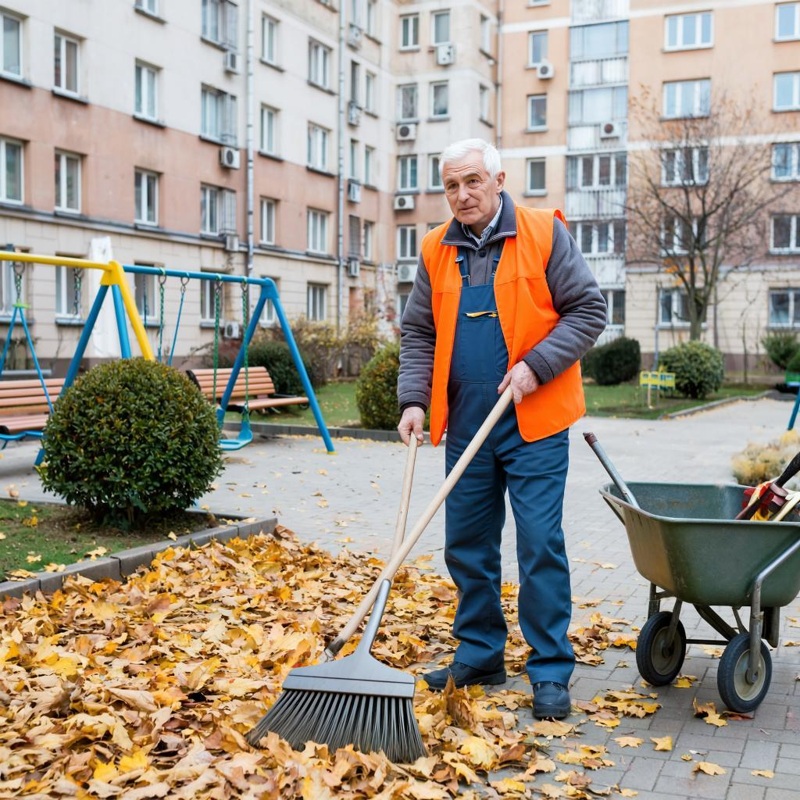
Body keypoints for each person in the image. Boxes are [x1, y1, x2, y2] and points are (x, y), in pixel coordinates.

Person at [396, 138, 607, 720]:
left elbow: (589, 310)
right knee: (466, 544)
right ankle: (481, 653)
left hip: (533, 420)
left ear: (498, 180)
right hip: (467, 421)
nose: (462, 194)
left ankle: (550, 668)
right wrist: (413, 400)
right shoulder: (436, 248)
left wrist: (537, 365)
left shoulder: (543, 233)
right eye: (451, 185)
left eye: (473, 181)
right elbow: (419, 332)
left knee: (539, 544)